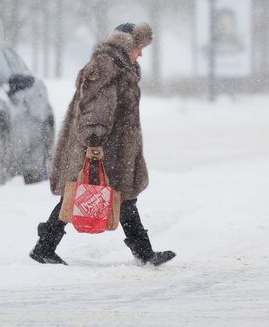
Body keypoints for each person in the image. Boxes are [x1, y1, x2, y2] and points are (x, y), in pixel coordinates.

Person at [29, 22, 175, 266]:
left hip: (115, 150)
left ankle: (46, 246)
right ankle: (45, 247)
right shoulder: (106, 66)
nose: (141, 53)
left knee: (118, 198)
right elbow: (96, 107)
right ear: (126, 45)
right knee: (78, 195)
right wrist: (94, 142)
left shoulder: (122, 67)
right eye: (138, 47)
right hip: (102, 149)